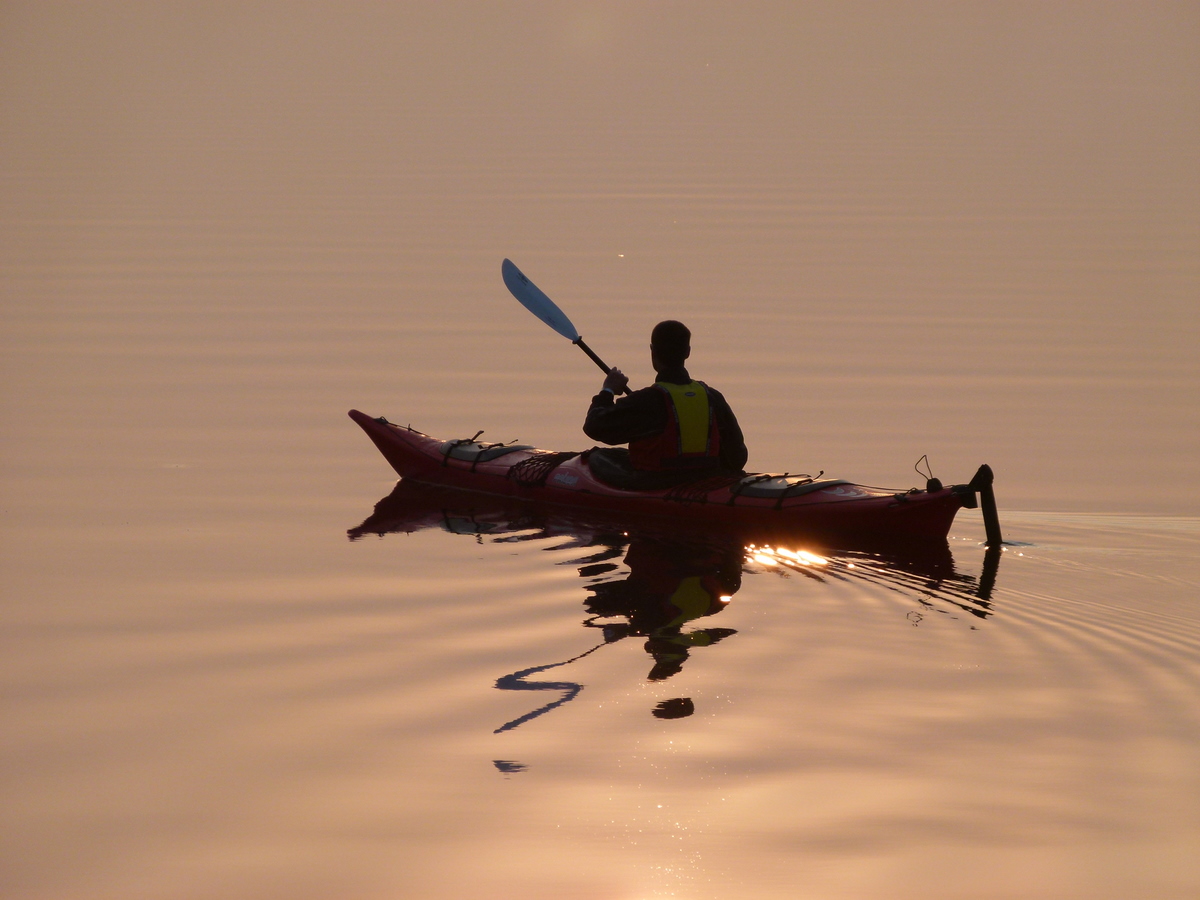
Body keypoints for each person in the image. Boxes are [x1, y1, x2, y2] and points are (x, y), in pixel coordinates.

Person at [583, 320, 747, 483]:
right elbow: (737, 457)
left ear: (652, 351)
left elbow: (594, 426)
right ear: (687, 352)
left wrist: (608, 390)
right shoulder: (713, 397)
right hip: (706, 480)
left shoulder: (646, 400)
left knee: (597, 457)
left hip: (657, 484)